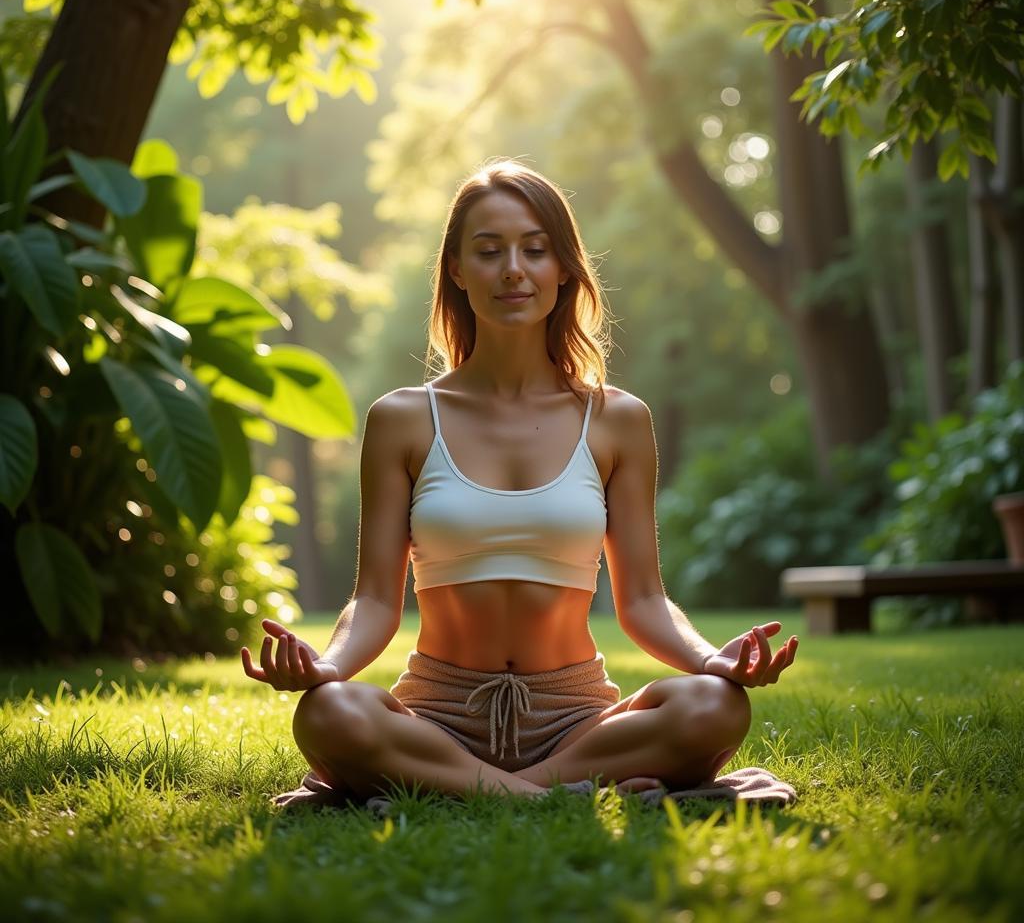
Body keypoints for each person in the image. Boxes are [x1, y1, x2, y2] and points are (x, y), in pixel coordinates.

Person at [242, 158, 798, 801]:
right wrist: (327, 667)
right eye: (489, 250)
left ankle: (469, 790)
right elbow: (374, 602)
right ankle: (551, 796)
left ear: (563, 269)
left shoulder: (617, 420)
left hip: (576, 716)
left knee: (715, 706)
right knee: (328, 713)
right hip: (438, 715)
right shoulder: (401, 419)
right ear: (456, 269)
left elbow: (643, 599)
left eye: (535, 250)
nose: (513, 268)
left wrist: (711, 661)